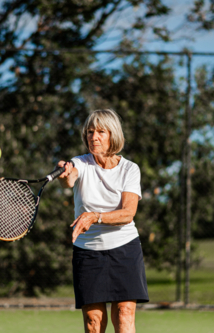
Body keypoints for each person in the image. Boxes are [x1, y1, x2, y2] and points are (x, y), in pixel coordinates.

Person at [57, 109, 148, 333]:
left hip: (125, 249)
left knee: (124, 315)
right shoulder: (81, 163)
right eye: (89, 132)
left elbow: (128, 213)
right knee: (93, 323)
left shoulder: (130, 169)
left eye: (100, 132)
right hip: (88, 252)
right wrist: (66, 174)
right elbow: (70, 179)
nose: (93, 137)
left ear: (112, 135)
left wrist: (95, 216)